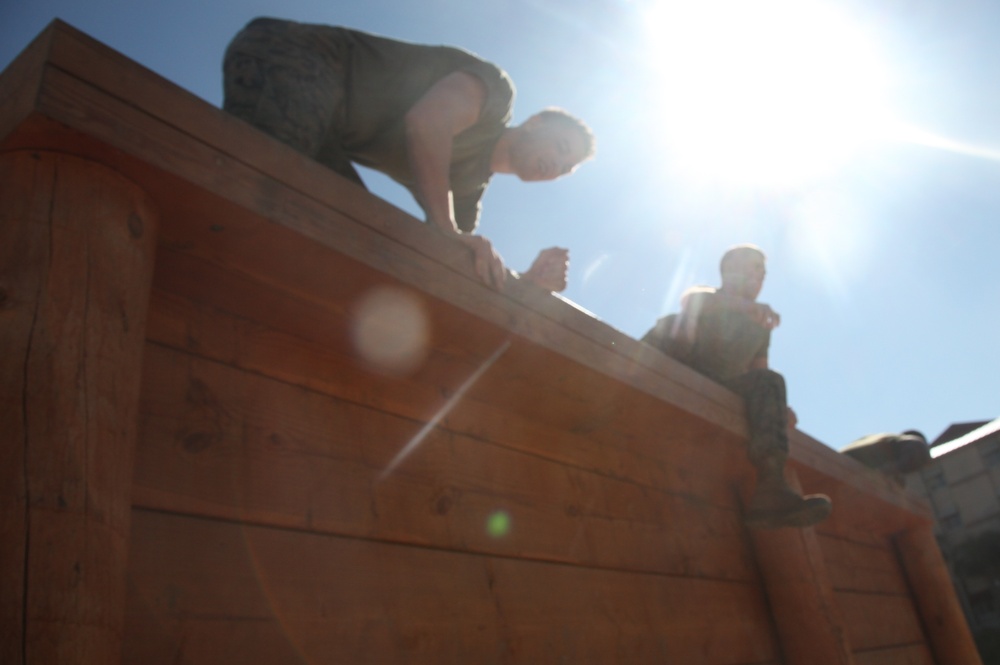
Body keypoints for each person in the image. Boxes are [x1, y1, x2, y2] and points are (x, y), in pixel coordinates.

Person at [222, 17, 595, 291]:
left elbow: (459, 263)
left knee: (354, 229)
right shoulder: (495, 96)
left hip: (326, 137)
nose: (557, 167)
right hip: (299, 57)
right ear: (535, 122)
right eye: (561, 148)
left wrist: (527, 283)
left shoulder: (465, 192)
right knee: (274, 185)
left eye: (566, 168)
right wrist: (446, 228)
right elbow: (428, 121)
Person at [642, 245, 832, 529]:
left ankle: (771, 488)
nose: (759, 276)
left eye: (762, 273)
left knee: (771, 382)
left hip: (720, 384)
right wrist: (745, 306)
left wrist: (778, 407)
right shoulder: (707, 298)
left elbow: (760, 372)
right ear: (729, 270)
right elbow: (692, 301)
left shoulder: (758, 325)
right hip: (677, 367)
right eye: (751, 268)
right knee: (673, 327)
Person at [840, 430, 931, 487]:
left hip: (842, 459)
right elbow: (891, 469)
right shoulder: (918, 445)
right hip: (849, 466)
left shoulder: (883, 438)